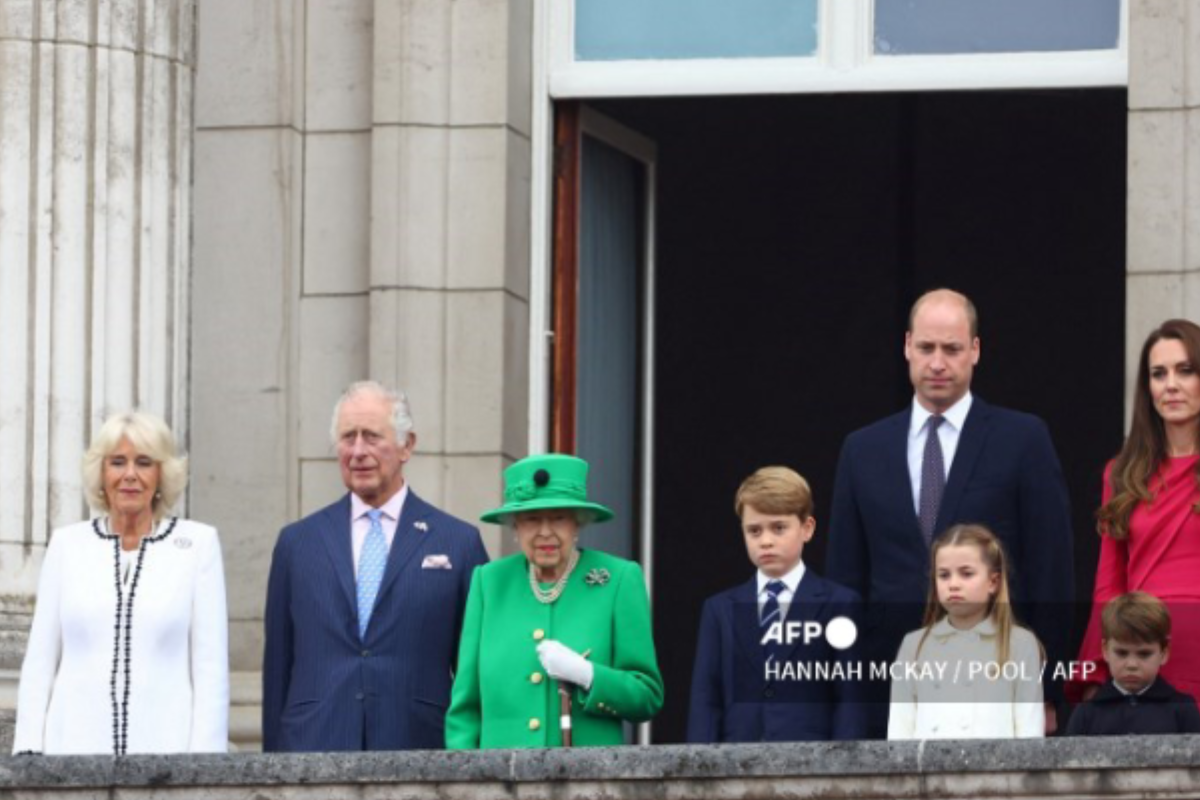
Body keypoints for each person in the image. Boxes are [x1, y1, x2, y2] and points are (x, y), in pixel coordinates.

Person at [827, 288, 1073, 736]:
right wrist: (848, 700)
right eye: (926, 348)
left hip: (997, 680)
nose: (937, 362)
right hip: (891, 685)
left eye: (952, 349)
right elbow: (845, 579)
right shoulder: (862, 449)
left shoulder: (1023, 440)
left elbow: (1051, 568)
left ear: (975, 350)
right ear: (906, 346)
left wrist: (1051, 691)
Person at [262, 380, 489, 751]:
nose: (358, 451)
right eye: (347, 437)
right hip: (314, 749)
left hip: (420, 749)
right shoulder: (296, 544)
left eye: (371, 436)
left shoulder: (458, 543)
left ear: (407, 445)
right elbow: (277, 669)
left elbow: (476, 670)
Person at [12, 411, 228, 755]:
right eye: (117, 462)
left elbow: (210, 668)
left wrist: (205, 766)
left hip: (167, 760)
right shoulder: (67, 545)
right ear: (101, 473)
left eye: (144, 462)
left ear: (161, 474)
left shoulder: (198, 546)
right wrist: (27, 752)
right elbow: (40, 660)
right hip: (71, 757)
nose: (130, 475)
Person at [445, 454, 663, 748]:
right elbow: (465, 709)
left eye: (559, 517)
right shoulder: (489, 582)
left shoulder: (618, 579)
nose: (545, 532)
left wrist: (589, 675)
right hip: (501, 783)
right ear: (515, 527)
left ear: (577, 524)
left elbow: (647, 696)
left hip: (587, 783)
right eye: (532, 519)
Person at [1072, 319, 1200, 705]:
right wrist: (1096, 666)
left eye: (1186, 371)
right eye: (1158, 374)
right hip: (1143, 653)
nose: (1171, 385)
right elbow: (1108, 584)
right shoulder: (1122, 471)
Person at [687, 466, 865, 742]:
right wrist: (698, 774)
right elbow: (706, 700)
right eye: (754, 531)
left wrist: (844, 774)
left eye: (779, 528)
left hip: (814, 767)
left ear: (807, 528)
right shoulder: (718, 609)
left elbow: (849, 699)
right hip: (735, 766)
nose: (766, 541)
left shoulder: (840, 604)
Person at [887, 524, 1044, 740]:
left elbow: (1030, 732)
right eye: (944, 575)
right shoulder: (914, 645)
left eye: (966, 574)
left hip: (996, 773)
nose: (953, 584)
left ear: (993, 582)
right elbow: (899, 733)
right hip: (930, 772)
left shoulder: (1020, 643)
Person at [1067, 592, 1200, 736]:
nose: (1131, 665)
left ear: (1164, 653)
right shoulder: (1086, 714)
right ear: (1105, 650)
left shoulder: (1182, 710)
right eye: (1121, 653)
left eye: (1144, 654)